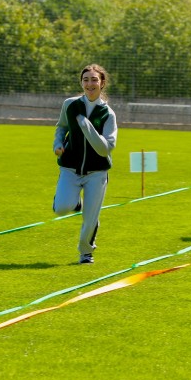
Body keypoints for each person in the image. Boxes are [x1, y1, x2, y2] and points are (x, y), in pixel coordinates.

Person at [52, 64, 118, 264]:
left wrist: (87, 127)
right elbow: (61, 127)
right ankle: (75, 203)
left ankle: (86, 252)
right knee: (61, 208)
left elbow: (105, 148)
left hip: (97, 173)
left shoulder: (108, 114)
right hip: (70, 168)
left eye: (94, 80)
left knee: (91, 218)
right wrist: (57, 144)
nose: (90, 84)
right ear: (81, 82)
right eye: (86, 79)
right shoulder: (70, 105)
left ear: (102, 83)